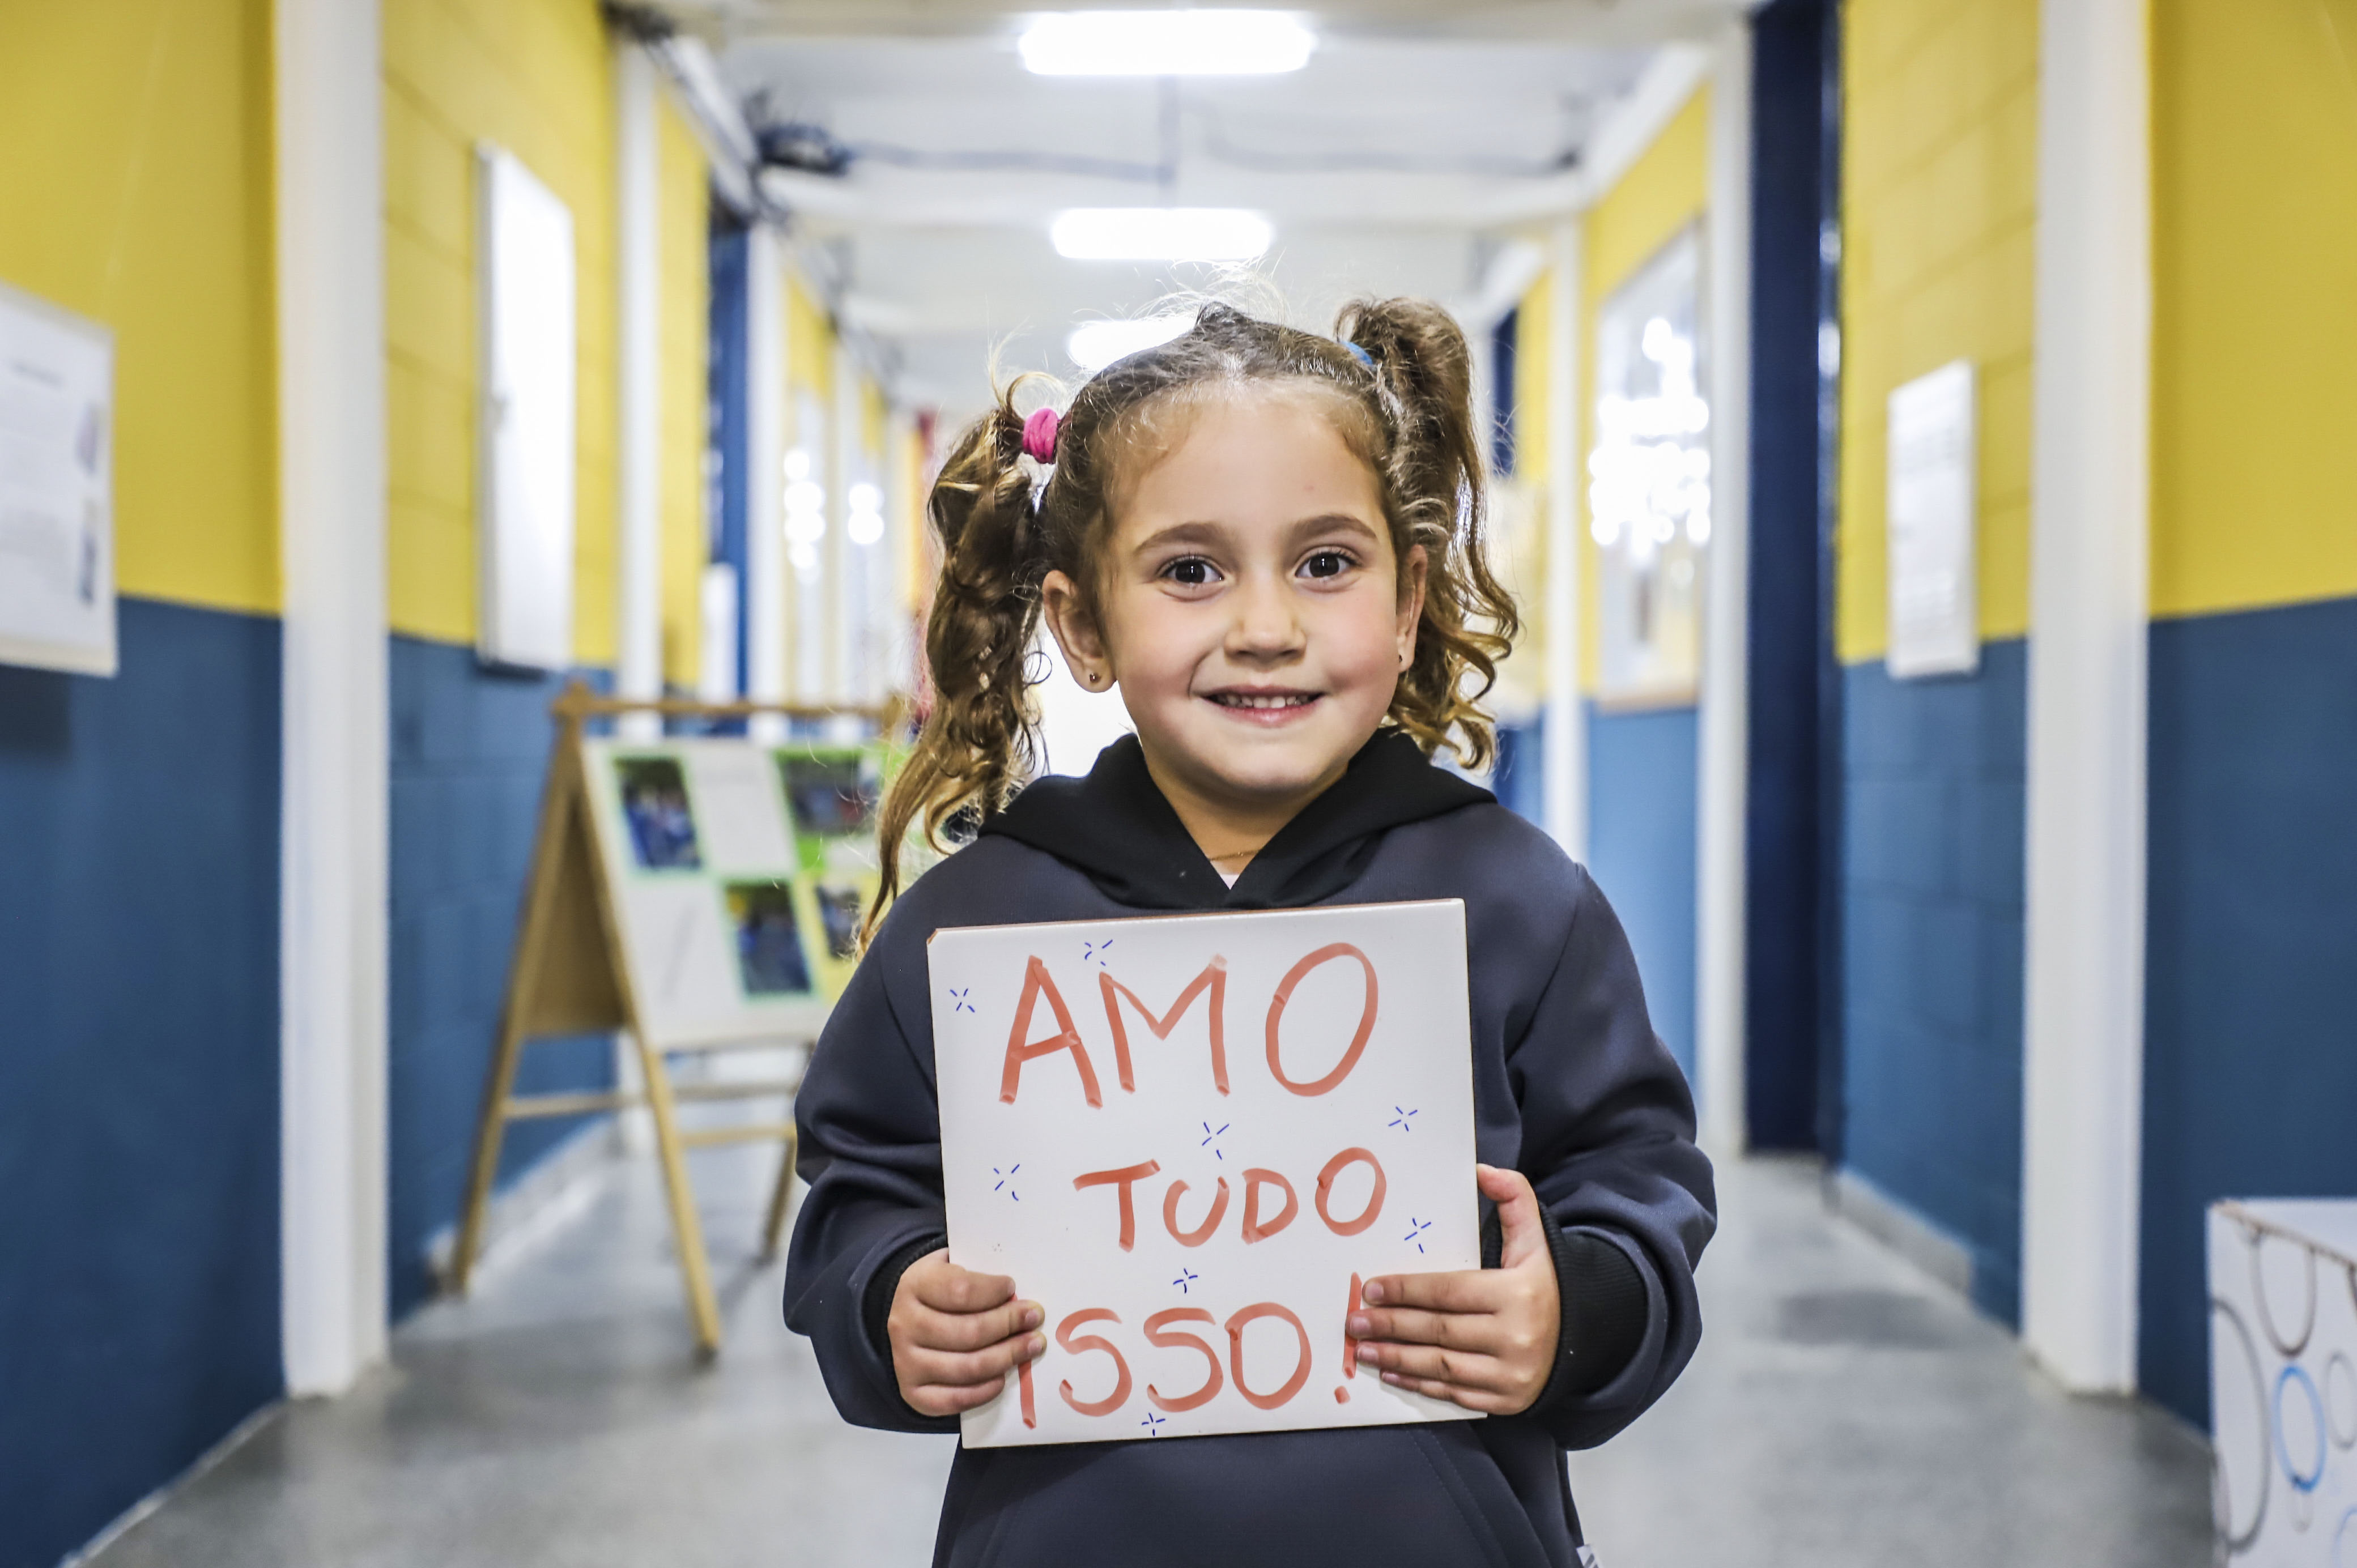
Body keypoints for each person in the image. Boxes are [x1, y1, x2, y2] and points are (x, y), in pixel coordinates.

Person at [784, 299, 1715, 1567]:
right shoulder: (971, 928)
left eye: (1325, 562)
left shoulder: (1518, 902)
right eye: (1189, 569)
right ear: (1084, 625)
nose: (1265, 624)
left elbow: (1635, 1181)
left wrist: (1575, 1310)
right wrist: (892, 1297)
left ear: (1408, 599)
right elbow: (863, 1190)